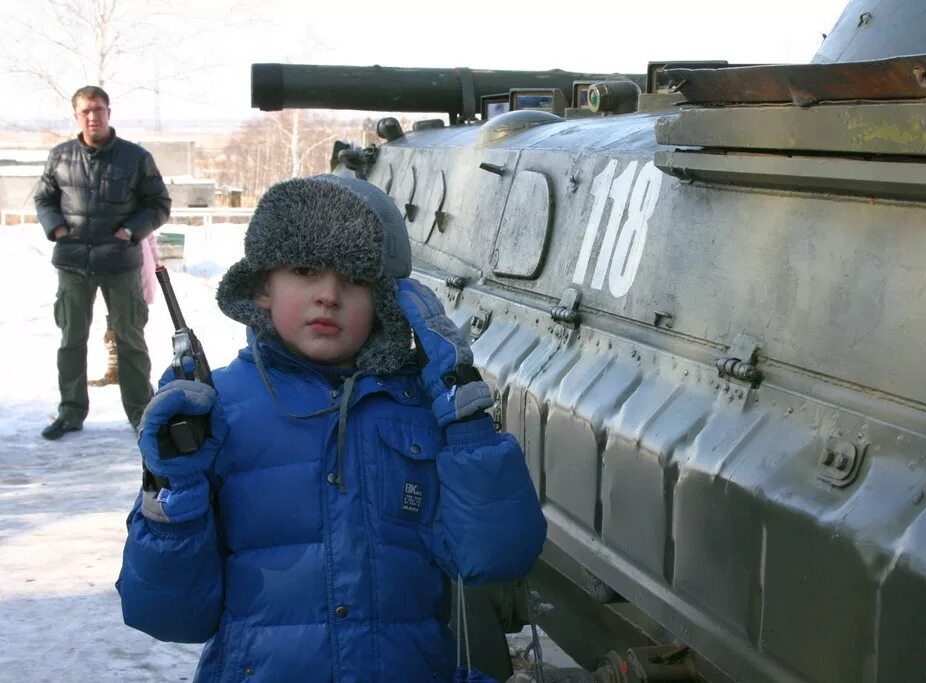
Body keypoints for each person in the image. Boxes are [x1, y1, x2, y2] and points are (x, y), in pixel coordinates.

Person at [116, 175, 547, 681]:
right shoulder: (218, 411)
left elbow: (498, 557)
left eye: (355, 278)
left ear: (389, 301)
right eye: (304, 270)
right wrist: (172, 492)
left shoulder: (422, 407)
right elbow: (166, 613)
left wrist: (467, 425)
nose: (329, 295)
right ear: (260, 288)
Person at [34, 85, 171, 440]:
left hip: (120, 262)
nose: (92, 117)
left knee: (130, 339)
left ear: (108, 112)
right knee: (71, 339)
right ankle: (70, 412)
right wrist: (58, 229)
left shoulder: (134, 158)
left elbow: (158, 204)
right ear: (76, 116)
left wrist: (130, 231)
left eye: (98, 109)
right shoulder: (60, 156)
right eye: (85, 111)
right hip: (73, 262)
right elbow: (44, 199)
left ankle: (141, 413)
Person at [90, 233, 160, 388]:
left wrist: (155, 260)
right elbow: (150, 237)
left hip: (134, 269)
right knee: (122, 321)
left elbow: (149, 236)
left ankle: (135, 376)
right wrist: (156, 259)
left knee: (130, 326)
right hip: (129, 267)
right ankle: (117, 371)